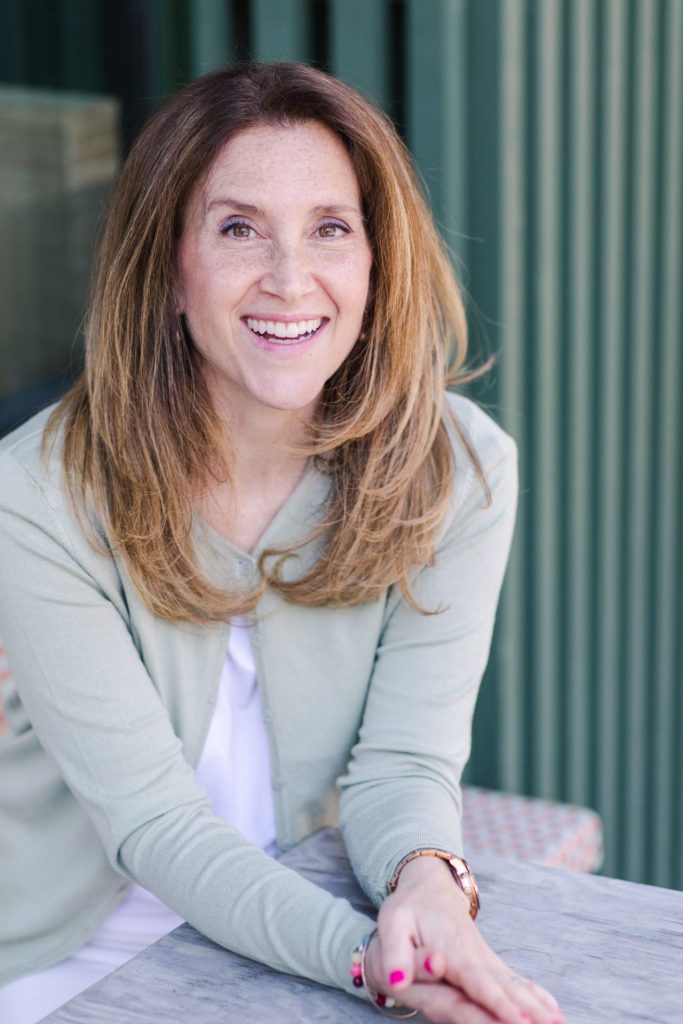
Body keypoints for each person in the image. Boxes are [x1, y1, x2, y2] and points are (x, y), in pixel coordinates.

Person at [0, 62, 562, 1024]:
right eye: (237, 228)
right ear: (168, 270)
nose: (291, 278)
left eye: (330, 229)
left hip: (288, 924)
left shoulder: (461, 471)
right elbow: (155, 824)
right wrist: (371, 967)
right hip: (60, 952)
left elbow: (402, 767)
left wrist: (428, 888)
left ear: (376, 261)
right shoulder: (39, 493)